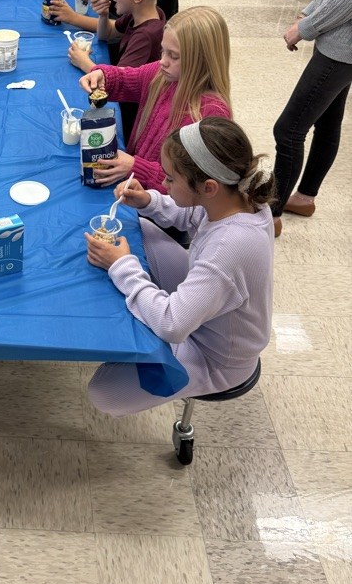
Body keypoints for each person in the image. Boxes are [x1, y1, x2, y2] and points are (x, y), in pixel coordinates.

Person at [84, 117, 275, 417]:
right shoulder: (238, 197)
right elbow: (194, 216)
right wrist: (148, 201)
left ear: (209, 187)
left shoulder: (229, 248)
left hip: (214, 357)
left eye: (171, 179)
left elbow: (172, 325)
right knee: (142, 231)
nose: (163, 183)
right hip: (210, 310)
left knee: (104, 393)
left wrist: (121, 266)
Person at [77, 6, 232, 190]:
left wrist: (136, 167)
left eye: (173, 56)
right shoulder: (161, 75)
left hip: (160, 204)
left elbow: (193, 189)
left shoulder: (211, 116)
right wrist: (103, 75)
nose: (163, 61)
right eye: (162, 51)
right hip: (134, 183)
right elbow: (125, 78)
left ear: (202, 60)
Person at [271, 0, 352, 237]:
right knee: (328, 123)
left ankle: (271, 213)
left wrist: (305, 28)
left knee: (289, 129)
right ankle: (304, 197)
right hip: (336, 44)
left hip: (340, 51)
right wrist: (307, 12)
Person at [56, 0, 167, 143]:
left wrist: (86, 63)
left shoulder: (146, 36)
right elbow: (107, 33)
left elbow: (116, 82)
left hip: (131, 117)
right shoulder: (142, 13)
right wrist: (103, 16)